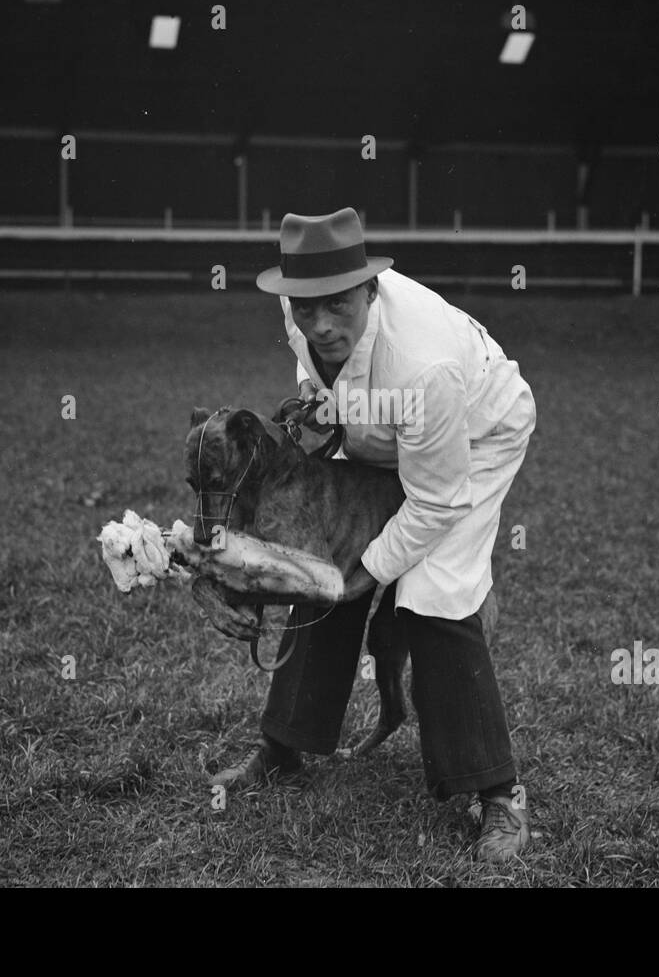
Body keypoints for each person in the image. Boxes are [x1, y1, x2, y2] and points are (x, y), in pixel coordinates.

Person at [212, 207, 537, 862]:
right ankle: (284, 745)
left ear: (370, 290)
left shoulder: (425, 365)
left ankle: (498, 792)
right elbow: (319, 375)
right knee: (319, 556)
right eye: (306, 309)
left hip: (472, 435)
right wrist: (317, 406)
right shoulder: (302, 313)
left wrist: (372, 566)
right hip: (384, 430)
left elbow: (437, 499)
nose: (320, 324)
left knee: (432, 585)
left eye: (337, 306)